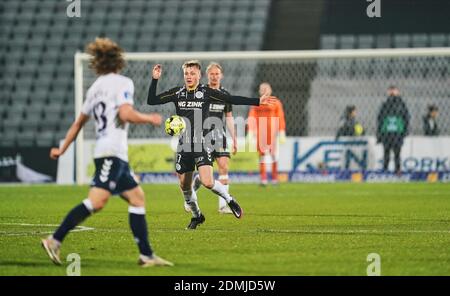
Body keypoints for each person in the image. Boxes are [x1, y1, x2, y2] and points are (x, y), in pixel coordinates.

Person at [41, 38, 173, 267]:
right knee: (97, 201)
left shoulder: (95, 88)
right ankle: (54, 240)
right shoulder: (123, 82)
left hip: (111, 153)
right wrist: (148, 118)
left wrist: (62, 149)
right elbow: (125, 114)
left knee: (137, 197)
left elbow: (78, 123)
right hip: (111, 151)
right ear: (118, 60)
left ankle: (146, 255)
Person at [147, 61, 275, 229]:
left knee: (208, 182)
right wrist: (154, 80)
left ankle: (229, 200)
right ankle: (197, 215)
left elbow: (230, 99)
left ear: (199, 76)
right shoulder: (177, 93)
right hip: (184, 145)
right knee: (184, 186)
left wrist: (257, 101)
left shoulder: (206, 92)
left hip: (202, 142)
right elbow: (152, 101)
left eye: (193, 73)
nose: (189, 76)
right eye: (187, 73)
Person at [187, 62, 236, 215]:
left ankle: (223, 206)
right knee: (204, 175)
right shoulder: (201, 92)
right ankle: (190, 197)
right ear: (207, 75)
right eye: (212, 74)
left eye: (217, 73)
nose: (214, 76)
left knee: (224, 167)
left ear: (221, 75)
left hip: (219, 136)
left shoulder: (225, 95)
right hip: (203, 135)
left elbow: (228, 117)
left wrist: (234, 138)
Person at [247, 82, 286, 186]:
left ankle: (274, 178)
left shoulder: (276, 102)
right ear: (259, 91)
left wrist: (282, 131)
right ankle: (263, 178)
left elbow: (280, 117)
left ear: (270, 90)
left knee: (274, 155)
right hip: (261, 133)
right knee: (262, 155)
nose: (264, 91)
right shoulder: (256, 103)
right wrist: (250, 131)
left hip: (273, 133)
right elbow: (252, 116)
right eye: (262, 89)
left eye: (266, 89)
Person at [376, 85, 410, 174]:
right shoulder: (385, 104)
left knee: (397, 153)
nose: (392, 92)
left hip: (397, 132)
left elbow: (406, 118)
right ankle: (385, 169)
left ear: (397, 92)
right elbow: (380, 119)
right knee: (386, 152)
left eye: (393, 90)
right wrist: (379, 133)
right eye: (390, 90)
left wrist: (405, 130)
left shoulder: (401, 104)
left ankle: (397, 169)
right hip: (387, 132)